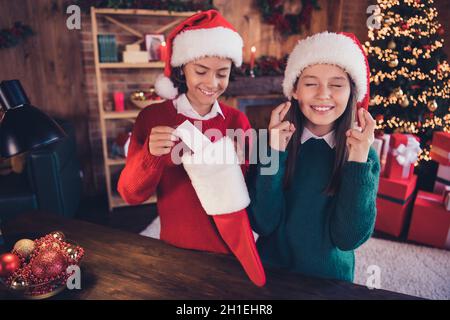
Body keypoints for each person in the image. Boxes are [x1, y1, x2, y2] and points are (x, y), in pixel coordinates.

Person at [118, 10, 265, 286]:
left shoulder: (236, 120)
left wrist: (242, 160)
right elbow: (130, 195)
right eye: (201, 71)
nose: (212, 83)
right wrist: (151, 156)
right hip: (176, 249)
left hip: (230, 252)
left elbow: (252, 191)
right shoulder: (153, 118)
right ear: (182, 68)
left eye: (222, 74)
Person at [248, 31, 380, 282]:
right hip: (269, 274)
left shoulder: (365, 156)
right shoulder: (270, 144)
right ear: (295, 91)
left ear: (352, 92)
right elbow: (262, 223)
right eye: (310, 83)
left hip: (330, 281)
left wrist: (358, 162)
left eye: (336, 85)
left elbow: (349, 238)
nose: (323, 94)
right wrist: (273, 154)